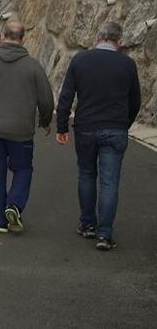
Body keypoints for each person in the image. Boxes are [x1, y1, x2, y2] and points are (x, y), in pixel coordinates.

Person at [55, 21, 142, 251]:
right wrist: (125, 124)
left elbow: (66, 96)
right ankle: (104, 234)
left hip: (85, 127)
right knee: (109, 182)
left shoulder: (80, 60)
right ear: (120, 41)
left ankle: (87, 224)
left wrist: (62, 126)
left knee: (86, 174)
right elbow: (135, 101)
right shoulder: (128, 64)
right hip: (115, 129)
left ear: (97, 37)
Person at [0, 21, 54, 234]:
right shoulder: (33, 66)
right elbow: (46, 100)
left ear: (1, 36)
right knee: (23, 169)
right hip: (21, 131)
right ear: (23, 39)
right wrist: (44, 120)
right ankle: (14, 205)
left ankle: (0, 221)